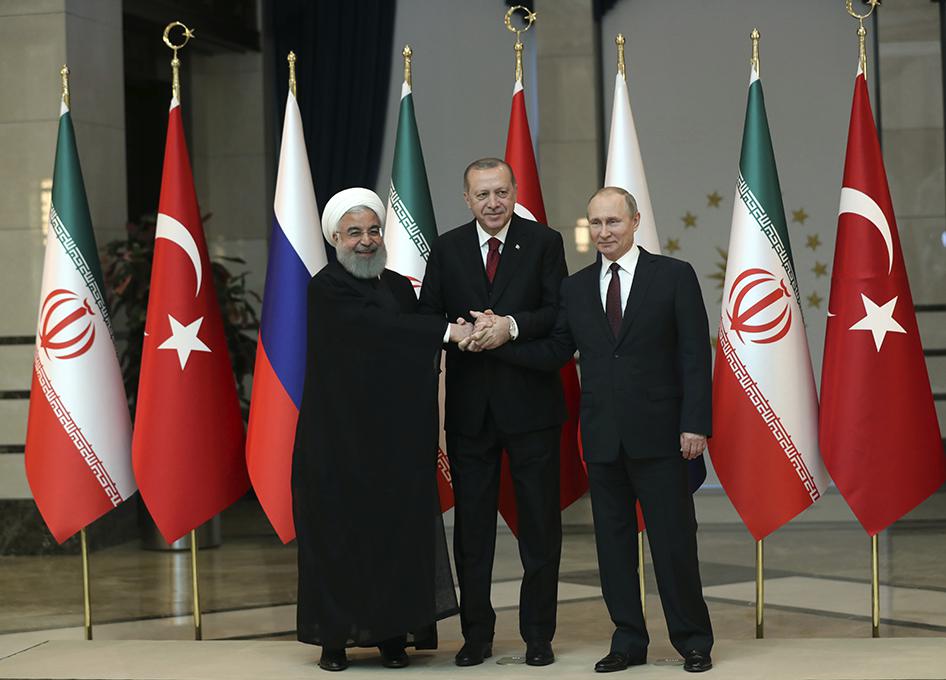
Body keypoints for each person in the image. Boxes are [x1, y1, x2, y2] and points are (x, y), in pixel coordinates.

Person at [467, 186, 714, 673]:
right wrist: (501, 339)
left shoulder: (673, 276)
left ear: (636, 221)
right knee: (613, 547)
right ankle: (627, 640)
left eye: (613, 222)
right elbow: (557, 350)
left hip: (664, 436)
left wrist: (695, 425)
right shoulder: (575, 288)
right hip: (602, 440)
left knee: (674, 544)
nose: (604, 233)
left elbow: (694, 356)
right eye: (595, 224)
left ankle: (693, 640)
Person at [292, 188, 465, 672]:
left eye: (373, 230)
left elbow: (406, 353)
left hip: (394, 441)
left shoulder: (397, 287)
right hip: (336, 443)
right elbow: (376, 333)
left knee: (395, 537)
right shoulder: (325, 287)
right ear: (334, 239)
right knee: (339, 540)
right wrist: (447, 332)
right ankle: (334, 640)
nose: (366, 241)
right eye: (355, 233)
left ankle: (393, 634)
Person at [417, 158, 568, 667]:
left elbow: (557, 314)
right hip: (470, 414)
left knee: (540, 529)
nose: (492, 203)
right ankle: (476, 636)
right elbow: (427, 315)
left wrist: (511, 327)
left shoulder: (545, 243)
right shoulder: (447, 247)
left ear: (514, 191)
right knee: (473, 532)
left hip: (532, 409)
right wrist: (456, 333)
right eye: (482, 194)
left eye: (501, 192)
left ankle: (538, 636)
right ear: (466, 198)